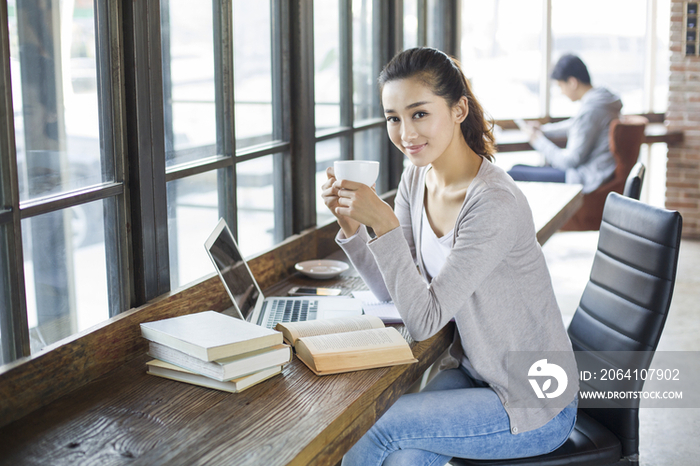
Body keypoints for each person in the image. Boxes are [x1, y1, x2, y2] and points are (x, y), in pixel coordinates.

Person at [321, 47, 579, 466]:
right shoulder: (416, 176)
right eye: (393, 117)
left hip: (534, 401)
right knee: (403, 458)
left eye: (419, 113)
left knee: (376, 424)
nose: (405, 133)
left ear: (459, 109)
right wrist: (352, 225)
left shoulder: (494, 202)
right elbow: (393, 289)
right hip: (478, 377)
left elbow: (424, 322)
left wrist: (384, 224)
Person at [508, 54, 622, 194]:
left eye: (560, 86)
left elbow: (570, 161)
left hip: (585, 177)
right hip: (597, 172)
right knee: (516, 168)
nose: (561, 92)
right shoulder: (602, 100)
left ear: (572, 82)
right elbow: (575, 124)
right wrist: (543, 130)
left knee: (513, 174)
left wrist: (537, 140)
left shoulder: (591, 110)